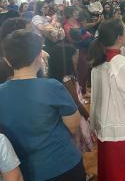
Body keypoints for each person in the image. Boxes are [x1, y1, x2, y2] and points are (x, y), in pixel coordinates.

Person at [0, 31, 84, 180]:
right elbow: (73, 124)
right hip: (63, 162)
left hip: (25, 170)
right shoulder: (52, 86)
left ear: (7, 60)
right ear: (39, 56)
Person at [88, 18, 125, 181]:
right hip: (124, 126)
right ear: (119, 38)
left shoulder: (98, 63)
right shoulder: (123, 63)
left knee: (112, 171)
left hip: (106, 126)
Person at [48, 43, 95, 160]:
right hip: (75, 115)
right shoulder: (67, 79)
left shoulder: (57, 78)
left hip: (69, 116)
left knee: (76, 144)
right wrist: (88, 116)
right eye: (74, 57)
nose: (77, 59)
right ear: (66, 60)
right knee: (77, 143)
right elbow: (75, 102)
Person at [63, 6, 93, 95]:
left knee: (85, 70)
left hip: (84, 49)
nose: (77, 13)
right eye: (75, 12)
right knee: (79, 71)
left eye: (77, 12)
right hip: (75, 50)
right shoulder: (66, 25)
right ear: (70, 13)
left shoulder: (77, 22)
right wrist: (86, 36)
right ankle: (80, 92)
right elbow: (72, 39)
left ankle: (83, 90)